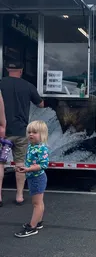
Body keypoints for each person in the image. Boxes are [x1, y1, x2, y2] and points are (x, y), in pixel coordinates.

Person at [0, 61, 44, 207]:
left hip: (3, 132)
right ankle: (19, 196)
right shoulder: (27, 85)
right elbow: (40, 104)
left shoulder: (1, 83)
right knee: (20, 163)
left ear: (7, 70)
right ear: (21, 71)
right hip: (21, 131)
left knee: (0, 164)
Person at [14, 120, 49, 238]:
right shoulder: (31, 146)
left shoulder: (41, 148)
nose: (31, 134)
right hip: (32, 177)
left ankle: (32, 227)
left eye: (34, 132)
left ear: (42, 134)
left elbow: (44, 164)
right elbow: (30, 162)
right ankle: (38, 222)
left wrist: (29, 169)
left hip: (37, 178)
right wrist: (23, 167)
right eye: (29, 132)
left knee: (36, 203)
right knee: (39, 202)